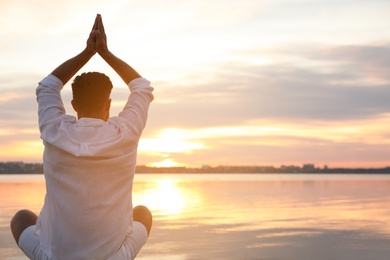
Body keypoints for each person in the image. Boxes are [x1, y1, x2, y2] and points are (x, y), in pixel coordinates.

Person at [10, 14, 154, 260]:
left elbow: (48, 86)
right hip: (113, 257)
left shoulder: (54, 130)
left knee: (21, 218)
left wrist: (87, 52)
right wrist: (105, 53)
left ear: (74, 104)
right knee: (142, 214)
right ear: (109, 104)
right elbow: (142, 87)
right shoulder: (126, 133)